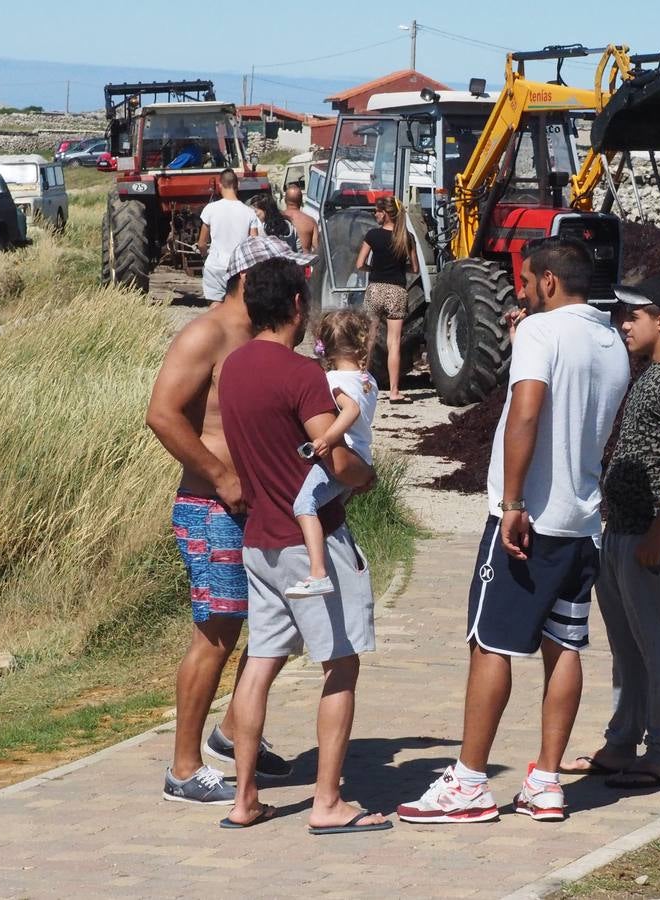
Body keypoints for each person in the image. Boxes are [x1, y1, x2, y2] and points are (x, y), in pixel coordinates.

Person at [398, 238, 629, 825]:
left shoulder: (540, 334)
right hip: (581, 520)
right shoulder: (614, 342)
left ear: (549, 281)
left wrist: (512, 501)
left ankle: (471, 781)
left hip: (530, 518)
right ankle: (547, 780)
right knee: (566, 646)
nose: (522, 291)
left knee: (490, 643)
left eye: (527, 280)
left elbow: (527, 410)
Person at [216, 250, 390, 834]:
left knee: (260, 664)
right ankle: (327, 803)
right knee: (340, 665)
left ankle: (244, 799)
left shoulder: (234, 368)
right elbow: (336, 458)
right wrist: (369, 477)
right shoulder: (301, 376)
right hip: (310, 541)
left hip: (258, 538)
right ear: (296, 306)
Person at [146, 237, 311, 805]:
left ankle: (237, 732)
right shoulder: (206, 334)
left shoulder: (261, 337)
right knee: (215, 635)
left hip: (264, 508)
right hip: (213, 507)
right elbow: (162, 414)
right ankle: (183, 769)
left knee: (276, 629)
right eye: (285, 274)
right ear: (248, 279)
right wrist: (221, 476)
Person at [563, 275, 660, 788]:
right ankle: (623, 741)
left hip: (653, 539)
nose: (622, 324)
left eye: (633, 316)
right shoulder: (652, 371)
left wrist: (658, 531)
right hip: (621, 533)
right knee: (627, 650)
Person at [288, 309, 378, 599]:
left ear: (323, 345)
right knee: (331, 515)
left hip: (342, 456)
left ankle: (317, 572)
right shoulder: (368, 380)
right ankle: (335, 564)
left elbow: (349, 410)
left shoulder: (333, 379)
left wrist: (326, 437)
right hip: (362, 457)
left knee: (304, 505)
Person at [356, 197, 419, 404]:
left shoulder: (373, 235)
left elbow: (360, 264)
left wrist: (372, 270)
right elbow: (415, 269)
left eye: (377, 211)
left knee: (368, 339)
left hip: (375, 289)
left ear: (384, 213)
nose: (375, 214)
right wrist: (400, 269)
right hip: (397, 291)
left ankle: (361, 384)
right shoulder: (406, 237)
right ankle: (394, 391)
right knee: (394, 343)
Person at [197, 169, 260, 303]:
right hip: (239, 269)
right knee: (238, 308)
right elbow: (255, 244)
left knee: (215, 307)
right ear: (238, 186)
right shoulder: (249, 213)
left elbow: (201, 243)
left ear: (220, 185)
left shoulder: (210, 209)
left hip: (215, 266)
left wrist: (205, 255)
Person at [282, 185, 319, 254]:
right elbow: (317, 248)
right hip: (303, 262)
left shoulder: (276, 219)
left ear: (285, 200)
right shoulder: (311, 221)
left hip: (283, 262)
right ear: (301, 201)